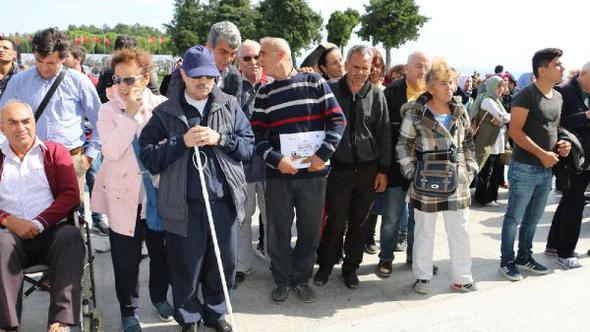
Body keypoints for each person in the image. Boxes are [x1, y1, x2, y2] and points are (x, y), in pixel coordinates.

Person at [139, 45, 253, 332]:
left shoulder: (229, 104)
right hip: (183, 204)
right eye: (197, 76)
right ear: (183, 74)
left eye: (211, 76)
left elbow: (247, 146)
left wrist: (220, 139)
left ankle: (215, 312)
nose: (205, 82)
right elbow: (149, 156)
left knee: (221, 261)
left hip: (222, 200)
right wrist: (181, 143)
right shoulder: (165, 112)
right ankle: (188, 317)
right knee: (186, 266)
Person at [251, 37, 345, 304]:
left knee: (310, 230)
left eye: (263, 54)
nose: (259, 60)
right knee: (278, 231)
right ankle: (281, 280)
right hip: (279, 176)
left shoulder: (314, 82)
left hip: (314, 175)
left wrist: (322, 154)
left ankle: (302, 278)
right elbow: (256, 135)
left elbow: (337, 119)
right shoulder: (264, 93)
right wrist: (277, 159)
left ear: (280, 55)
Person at [90, 48, 172, 332]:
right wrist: (130, 114)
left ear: (146, 77)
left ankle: (160, 296)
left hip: (157, 194)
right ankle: (129, 310)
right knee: (126, 259)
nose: (122, 86)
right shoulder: (107, 109)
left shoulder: (164, 105)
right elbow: (111, 151)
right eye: (118, 79)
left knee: (162, 254)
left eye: (130, 79)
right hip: (122, 198)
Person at [0, 100, 84, 332]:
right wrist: (9, 220)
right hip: (9, 234)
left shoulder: (55, 151)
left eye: (26, 121)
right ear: (2, 128)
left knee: (71, 236)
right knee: (1, 244)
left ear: (34, 123)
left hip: (51, 232)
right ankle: (7, 325)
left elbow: (70, 195)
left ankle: (61, 321)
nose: (21, 127)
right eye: (12, 123)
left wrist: (39, 222)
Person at [397, 57, 479, 294]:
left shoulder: (460, 109)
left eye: (451, 82)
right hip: (425, 181)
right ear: (430, 86)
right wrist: (412, 172)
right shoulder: (415, 112)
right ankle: (422, 277)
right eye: (443, 83)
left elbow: (470, 143)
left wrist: (470, 169)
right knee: (424, 232)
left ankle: (463, 278)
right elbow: (403, 145)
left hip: (458, 181)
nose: (450, 87)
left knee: (460, 231)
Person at [0, 28, 101, 214]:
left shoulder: (79, 81)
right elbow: (2, 119)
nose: (44, 67)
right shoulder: (19, 81)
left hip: (70, 161)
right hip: (28, 161)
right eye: (39, 61)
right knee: (30, 213)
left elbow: (100, 121)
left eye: (51, 63)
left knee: (70, 217)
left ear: (63, 58)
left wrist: (88, 157)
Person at [314, 45, 390, 289]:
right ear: (346, 65)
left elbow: (384, 134)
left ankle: (350, 269)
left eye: (365, 68)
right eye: (355, 67)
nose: (359, 72)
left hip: (368, 171)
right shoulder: (331, 91)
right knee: (335, 223)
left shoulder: (377, 95)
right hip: (339, 170)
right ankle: (325, 266)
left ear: (371, 69)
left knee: (359, 224)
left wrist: (383, 171)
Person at [499, 48, 571, 281]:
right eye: (557, 64)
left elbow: (554, 128)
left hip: (546, 168)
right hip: (525, 167)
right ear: (542, 70)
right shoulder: (526, 95)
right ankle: (507, 261)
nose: (562, 68)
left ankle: (524, 257)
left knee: (534, 218)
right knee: (514, 217)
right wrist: (542, 154)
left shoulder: (558, 96)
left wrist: (563, 143)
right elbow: (515, 131)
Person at [373, 52, 431, 279]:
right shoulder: (392, 93)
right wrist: (383, 170)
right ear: (406, 68)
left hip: (424, 171)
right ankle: (385, 259)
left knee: (420, 220)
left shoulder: (432, 94)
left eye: (426, 67)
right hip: (396, 169)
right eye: (418, 66)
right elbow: (384, 134)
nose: (422, 71)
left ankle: (415, 258)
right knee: (391, 218)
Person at [545, 61, 590, 269]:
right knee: (574, 204)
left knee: (568, 202)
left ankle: (554, 245)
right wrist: (585, 116)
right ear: (584, 74)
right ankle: (566, 253)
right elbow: (555, 124)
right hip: (570, 159)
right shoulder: (563, 91)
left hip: (585, 158)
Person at [234, 39, 270, 287]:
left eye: (257, 56)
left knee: (274, 217)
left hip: (272, 167)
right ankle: (241, 265)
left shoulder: (276, 86)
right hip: (243, 167)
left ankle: (276, 260)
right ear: (238, 62)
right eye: (247, 58)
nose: (254, 62)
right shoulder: (230, 89)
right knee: (243, 218)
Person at [166, 21, 243, 99]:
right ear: (209, 46)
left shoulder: (234, 76)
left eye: (233, 54)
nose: (228, 59)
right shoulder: (185, 72)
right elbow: (171, 107)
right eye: (223, 52)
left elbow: (236, 110)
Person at [363, 47, 388, 255]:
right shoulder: (352, 88)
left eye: (378, 65)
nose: (374, 69)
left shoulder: (384, 92)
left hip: (378, 157)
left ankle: (369, 235)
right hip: (356, 159)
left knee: (375, 202)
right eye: (372, 65)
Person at [472, 76, 510, 206]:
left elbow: (505, 117)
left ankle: (491, 197)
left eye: (502, 86)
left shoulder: (496, 100)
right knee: (486, 171)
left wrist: (504, 118)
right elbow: (504, 117)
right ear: (492, 86)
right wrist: (503, 118)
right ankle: (484, 198)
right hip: (487, 141)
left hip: (496, 141)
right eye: (498, 86)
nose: (501, 89)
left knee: (494, 171)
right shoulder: (487, 100)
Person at [96, 35, 160, 103]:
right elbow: (98, 99)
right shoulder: (106, 73)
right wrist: (113, 93)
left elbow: (155, 96)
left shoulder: (142, 72)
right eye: (120, 56)